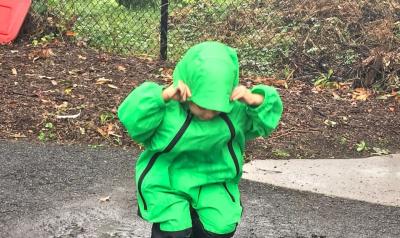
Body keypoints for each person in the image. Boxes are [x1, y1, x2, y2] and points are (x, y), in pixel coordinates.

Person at [118, 41, 283, 238]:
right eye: (201, 106)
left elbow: (265, 122)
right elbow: (133, 119)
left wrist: (254, 100)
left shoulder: (233, 112)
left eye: (215, 108)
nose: (208, 113)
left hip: (214, 178)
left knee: (221, 226)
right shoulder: (168, 110)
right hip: (167, 181)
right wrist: (162, 96)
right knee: (174, 231)